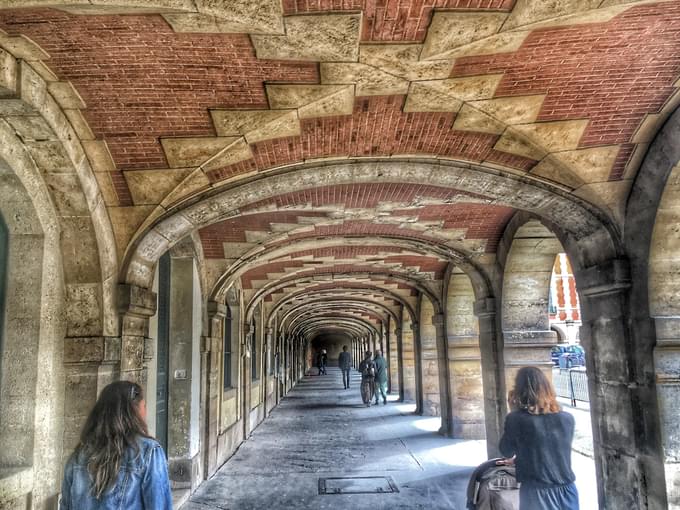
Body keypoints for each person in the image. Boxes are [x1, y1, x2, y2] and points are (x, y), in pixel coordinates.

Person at [60, 380, 172, 510]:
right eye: (144, 406)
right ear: (134, 410)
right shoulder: (148, 452)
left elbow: (66, 505)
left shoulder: (80, 453)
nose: (145, 413)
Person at [499, 366, 578, 510]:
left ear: (519, 391)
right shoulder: (567, 419)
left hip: (536, 493)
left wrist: (513, 412)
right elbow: (551, 451)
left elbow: (506, 450)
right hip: (568, 490)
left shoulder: (516, 419)